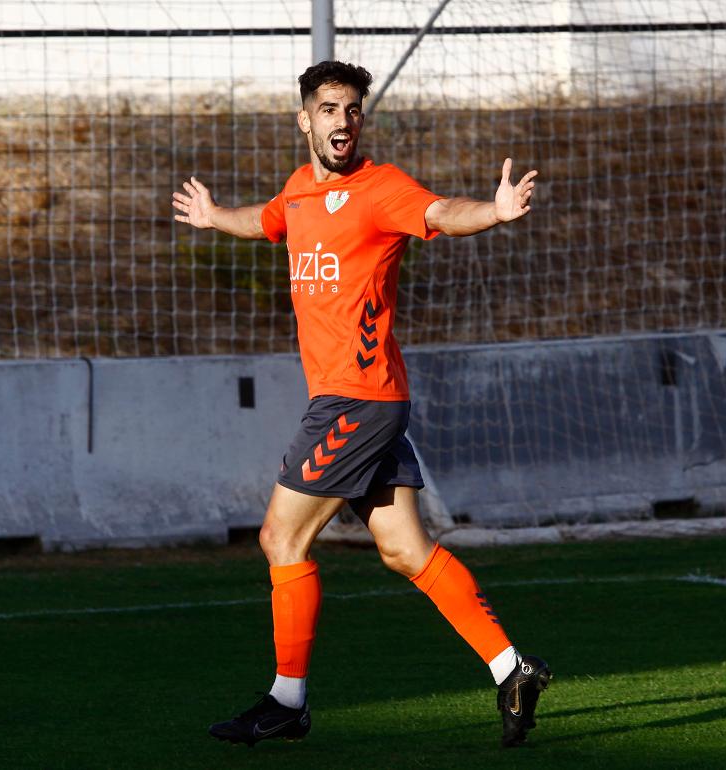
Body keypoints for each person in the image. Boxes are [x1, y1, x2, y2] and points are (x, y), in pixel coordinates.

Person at [172, 61, 551, 748]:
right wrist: (211, 217)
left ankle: (287, 701)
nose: (343, 122)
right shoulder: (296, 195)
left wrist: (492, 212)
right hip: (364, 401)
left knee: (280, 537)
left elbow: (439, 213)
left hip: (356, 398)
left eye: (352, 110)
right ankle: (511, 666)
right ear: (304, 119)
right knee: (405, 549)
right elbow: (264, 223)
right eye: (329, 110)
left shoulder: (382, 190)